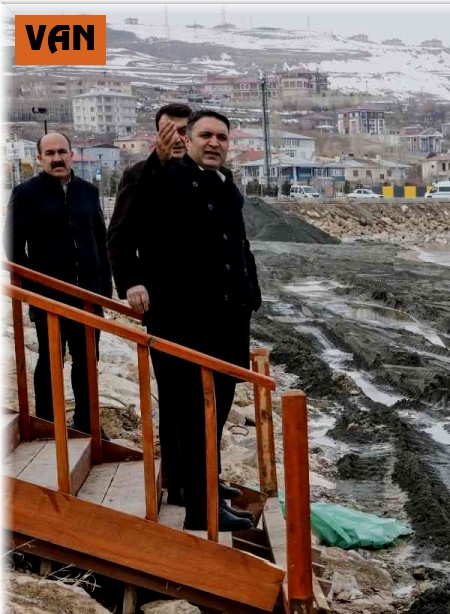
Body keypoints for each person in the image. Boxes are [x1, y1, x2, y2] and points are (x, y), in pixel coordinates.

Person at [112, 110, 261, 531]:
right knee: (196, 415)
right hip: (185, 320)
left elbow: (238, 244)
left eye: (221, 137)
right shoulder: (166, 177)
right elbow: (134, 217)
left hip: (229, 318)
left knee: (220, 408)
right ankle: (202, 510)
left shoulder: (226, 185)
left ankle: (208, 491)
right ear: (188, 140)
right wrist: (158, 162)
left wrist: (252, 294)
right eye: (205, 135)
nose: (214, 143)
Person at [108, 102, 191, 504]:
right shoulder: (138, 176)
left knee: (208, 394)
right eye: (168, 130)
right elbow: (120, 235)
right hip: (166, 304)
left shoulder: (206, 176)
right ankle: (178, 483)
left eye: (182, 130)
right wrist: (131, 282)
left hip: (208, 307)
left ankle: (206, 476)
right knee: (175, 394)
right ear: (155, 134)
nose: (176, 137)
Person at [4, 132, 111, 435]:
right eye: (49, 153)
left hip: (88, 295)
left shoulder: (87, 192)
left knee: (87, 359)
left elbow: (100, 242)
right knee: (51, 359)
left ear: (72, 154)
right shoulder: (26, 193)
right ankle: (47, 422)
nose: (57, 158)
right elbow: (11, 245)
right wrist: (32, 287)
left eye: (62, 152)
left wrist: (104, 289)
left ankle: (87, 421)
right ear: (40, 158)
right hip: (48, 295)